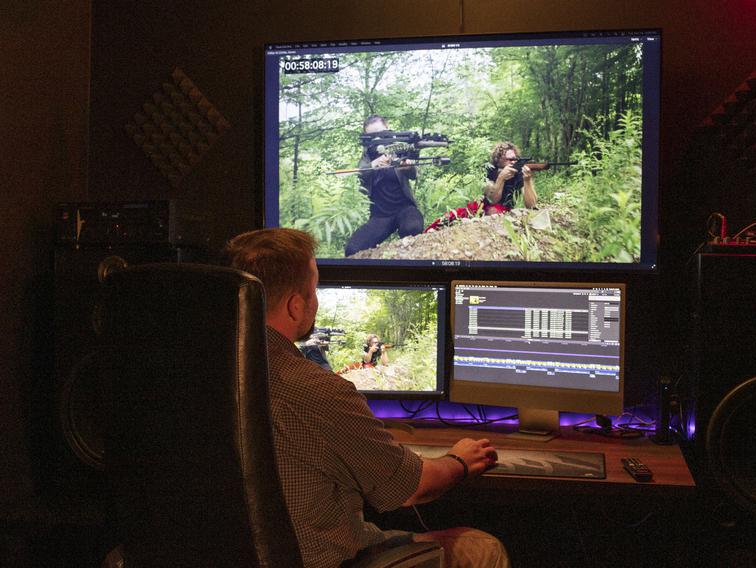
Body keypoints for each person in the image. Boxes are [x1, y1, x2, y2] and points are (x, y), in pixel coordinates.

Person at [223, 227, 509, 568]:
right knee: (482, 548)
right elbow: (415, 488)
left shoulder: (183, 373)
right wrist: (460, 461)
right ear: (295, 306)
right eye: (313, 291)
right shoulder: (315, 389)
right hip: (324, 561)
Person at [345, 115, 424, 257]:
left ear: (387, 129)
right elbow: (361, 175)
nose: (377, 139)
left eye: (380, 134)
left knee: (412, 227)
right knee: (352, 249)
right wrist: (373, 166)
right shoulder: (367, 154)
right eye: (372, 136)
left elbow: (414, 174)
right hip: (380, 216)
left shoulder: (399, 147)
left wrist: (407, 167)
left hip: (404, 209)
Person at [424, 141, 537, 232]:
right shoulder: (490, 171)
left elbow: (531, 205)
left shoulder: (519, 173)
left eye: (515, 158)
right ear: (498, 161)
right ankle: (427, 234)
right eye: (509, 159)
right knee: (452, 215)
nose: (513, 162)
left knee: (494, 211)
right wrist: (501, 178)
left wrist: (527, 180)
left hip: (502, 210)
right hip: (481, 205)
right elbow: (492, 200)